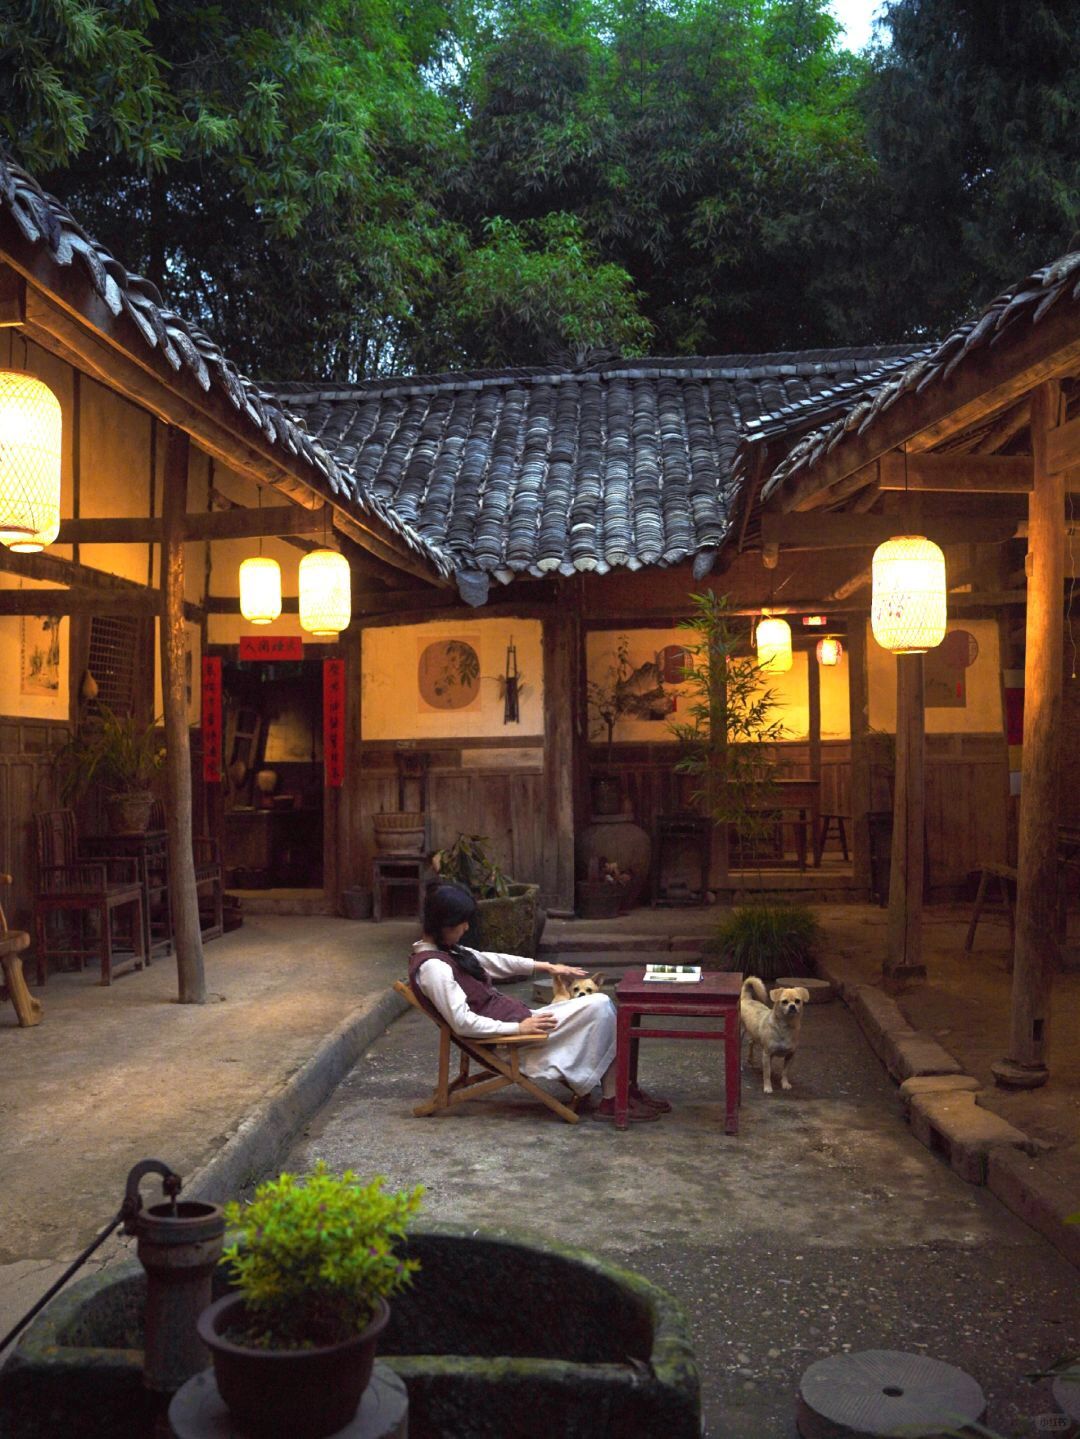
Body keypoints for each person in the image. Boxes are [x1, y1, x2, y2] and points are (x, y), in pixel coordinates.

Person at [410, 883, 669, 1122]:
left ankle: (620, 1092)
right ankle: (614, 1098)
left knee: (604, 1006)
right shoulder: (434, 968)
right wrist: (518, 1029)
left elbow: (494, 961)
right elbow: (462, 1022)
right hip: (511, 1041)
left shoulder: (448, 951)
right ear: (443, 923)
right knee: (599, 1004)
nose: (466, 928)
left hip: (524, 1021)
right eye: (461, 922)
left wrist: (546, 966)